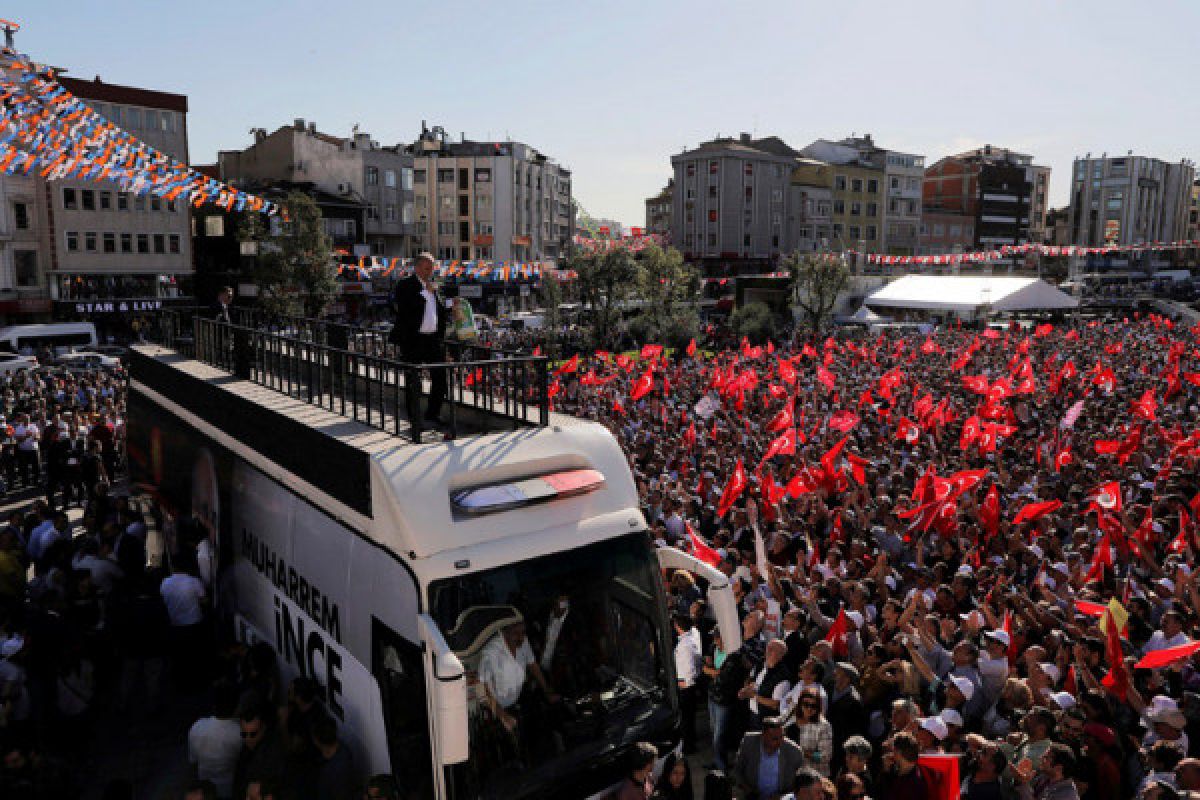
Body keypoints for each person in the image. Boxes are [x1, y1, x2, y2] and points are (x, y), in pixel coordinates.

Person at [389, 252, 448, 429]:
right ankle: (415, 419)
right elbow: (404, 308)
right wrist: (425, 292)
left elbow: (439, 311)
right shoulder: (405, 284)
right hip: (413, 339)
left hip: (433, 340)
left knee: (440, 378)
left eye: (432, 268)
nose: (430, 271)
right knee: (414, 381)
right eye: (427, 268)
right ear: (417, 267)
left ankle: (433, 413)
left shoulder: (434, 286)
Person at [188, 683, 242, 800]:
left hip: (203, 782)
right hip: (228, 786)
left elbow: (193, 761)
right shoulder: (239, 731)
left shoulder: (197, 726)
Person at [733, 716, 806, 800]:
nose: (780, 742)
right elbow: (737, 771)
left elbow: (802, 785)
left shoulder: (794, 751)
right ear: (763, 735)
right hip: (750, 795)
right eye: (775, 739)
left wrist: (782, 797)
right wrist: (747, 789)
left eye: (782, 737)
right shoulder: (749, 742)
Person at [786, 687, 834, 777]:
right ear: (800, 704)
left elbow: (825, 756)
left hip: (813, 776)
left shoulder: (823, 726)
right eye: (806, 704)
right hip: (790, 771)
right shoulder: (791, 714)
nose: (809, 708)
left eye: (813, 706)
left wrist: (801, 752)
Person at [673, 612, 703, 754]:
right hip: (690, 684)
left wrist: (685, 683)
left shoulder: (685, 645)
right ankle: (691, 741)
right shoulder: (693, 635)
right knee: (689, 717)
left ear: (678, 627)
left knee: (686, 719)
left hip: (686, 686)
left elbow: (690, 668)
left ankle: (689, 747)